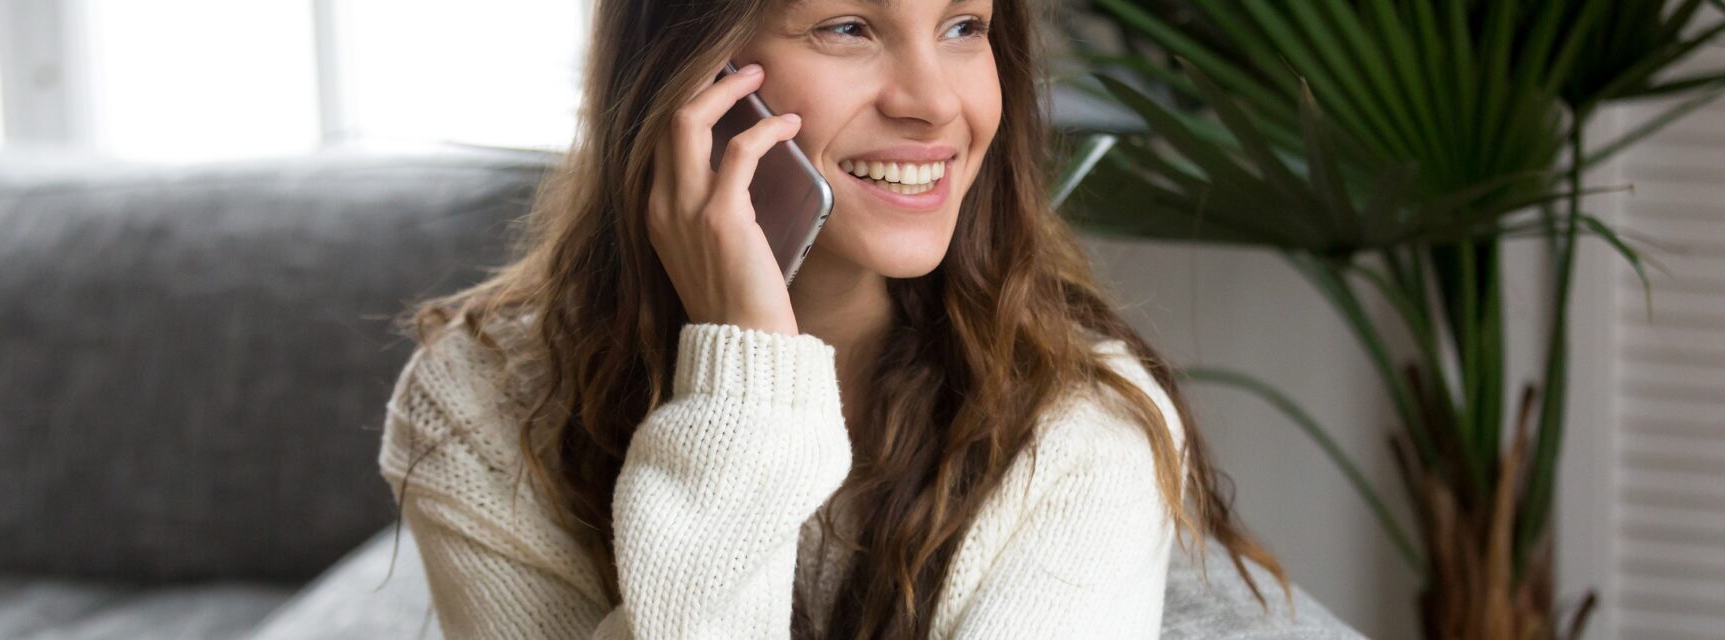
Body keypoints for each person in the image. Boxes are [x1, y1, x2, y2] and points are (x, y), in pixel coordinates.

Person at [378, 0, 1292, 637]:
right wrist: (745, 380)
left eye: (964, 27)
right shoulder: (479, 402)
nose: (935, 102)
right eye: (849, 27)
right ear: (691, 74)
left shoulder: (1084, 431)